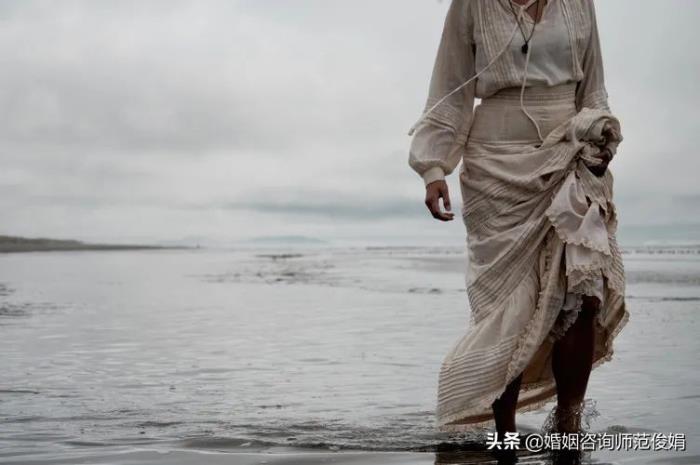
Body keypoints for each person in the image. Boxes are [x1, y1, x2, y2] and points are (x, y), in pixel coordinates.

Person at [407, 0, 629, 440]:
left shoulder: (578, 3)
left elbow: (593, 89)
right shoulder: (471, 6)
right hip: (495, 165)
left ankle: (568, 427)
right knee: (506, 306)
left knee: (583, 293)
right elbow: (448, 90)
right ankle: (503, 437)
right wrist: (433, 167)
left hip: (569, 152)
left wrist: (601, 138)